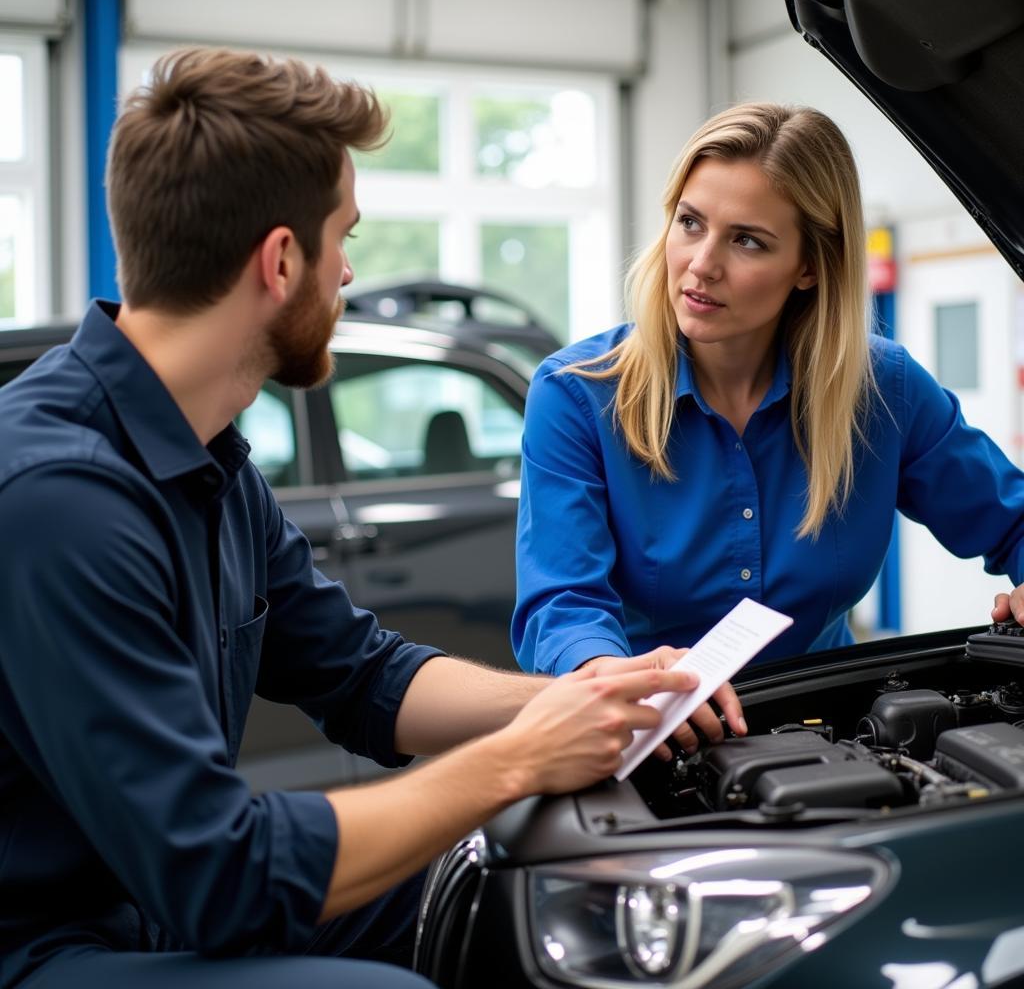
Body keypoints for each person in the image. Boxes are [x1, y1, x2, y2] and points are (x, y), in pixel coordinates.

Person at [0, 48, 745, 989]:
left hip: (149, 906)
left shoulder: (209, 457)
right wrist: (515, 762)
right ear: (280, 260)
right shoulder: (57, 499)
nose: (347, 271)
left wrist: (594, 699)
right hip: (47, 945)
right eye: (341, 237)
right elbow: (217, 871)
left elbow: (359, 675)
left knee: (526, 892)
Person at [513, 101, 1024, 677]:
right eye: (690, 222)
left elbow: (1012, 519)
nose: (701, 265)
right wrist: (605, 676)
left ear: (809, 266)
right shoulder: (577, 395)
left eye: (747, 241)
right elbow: (562, 608)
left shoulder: (884, 390)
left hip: (824, 727)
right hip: (645, 731)